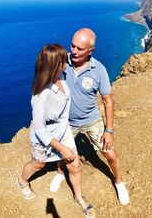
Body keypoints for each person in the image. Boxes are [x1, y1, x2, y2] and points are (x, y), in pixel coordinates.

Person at [50, 29, 130, 205]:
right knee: (62, 151)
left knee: (109, 153)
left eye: (80, 48)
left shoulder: (98, 70)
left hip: (91, 119)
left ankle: (119, 182)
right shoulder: (62, 63)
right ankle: (60, 173)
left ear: (90, 51)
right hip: (67, 121)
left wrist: (109, 130)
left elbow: (107, 101)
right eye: (72, 45)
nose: (74, 51)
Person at [17, 44, 95, 218]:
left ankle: (79, 197)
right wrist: (60, 148)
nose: (67, 61)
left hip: (63, 129)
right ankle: (22, 181)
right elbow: (39, 128)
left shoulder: (61, 77)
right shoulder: (40, 95)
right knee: (39, 164)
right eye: (63, 60)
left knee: (74, 164)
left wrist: (85, 53)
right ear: (55, 65)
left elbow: (74, 61)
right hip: (45, 135)